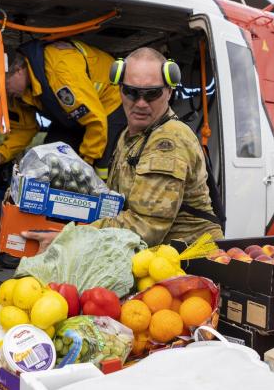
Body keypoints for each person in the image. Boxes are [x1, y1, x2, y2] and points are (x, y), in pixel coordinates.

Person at [24, 47, 224, 251]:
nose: (140, 103)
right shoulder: (130, 136)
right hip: (153, 257)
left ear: (169, 91)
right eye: (131, 92)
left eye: (152, 94)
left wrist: (70, 239)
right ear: (119, 89)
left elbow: (145, 227)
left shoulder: (168, 140)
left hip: (188, 263)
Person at [0, 39, 127, 180]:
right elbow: (23, 129)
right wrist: (0, 154)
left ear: (18, 70)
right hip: (74, 117)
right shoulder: (17, 94)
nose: (3, 93)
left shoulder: (60, 71)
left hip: (108, 107)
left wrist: (84, 164)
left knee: (101, 170)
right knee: (52, 162)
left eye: (2, 86)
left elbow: (95, 121)